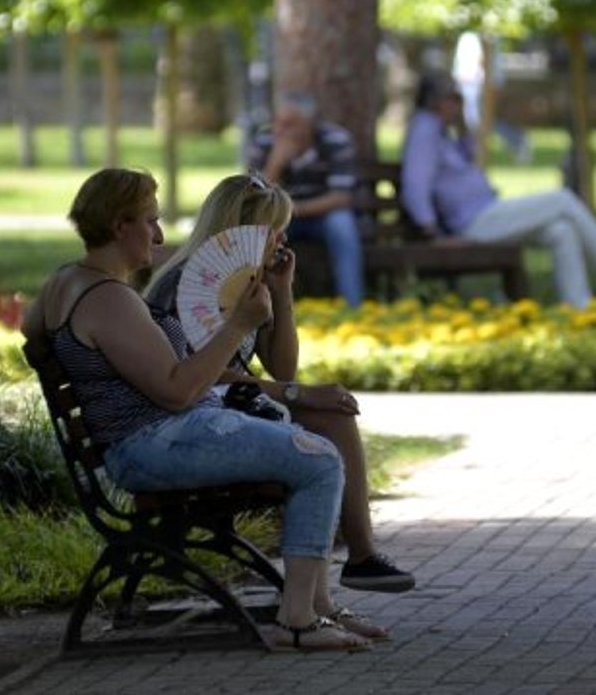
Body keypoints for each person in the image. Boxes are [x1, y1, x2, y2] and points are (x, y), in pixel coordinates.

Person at [21, 167, 380, 652]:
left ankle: (317, 609)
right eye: (150, 221)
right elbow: (178, 392)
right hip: (153, 443)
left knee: (314, 450)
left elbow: (32, 331)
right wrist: (239, 325)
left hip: (152, 439)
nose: (159, 235)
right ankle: (299, 619)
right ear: (120, 225)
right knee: (317, 459)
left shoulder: (69, 281)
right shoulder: (109, 300)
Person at [144, 173, 416, 608]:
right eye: (274, 230)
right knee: (323, 421)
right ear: (241, 233)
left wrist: (281, 292)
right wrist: (293, 394)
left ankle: (361, 556)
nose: (283, 239)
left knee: (335, 412)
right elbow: (204, 378)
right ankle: (336, 580)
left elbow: (284, 366)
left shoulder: (247, 280)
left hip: (234, 401)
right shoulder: (185, 286)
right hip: (199, 412)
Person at [401, 70, 596, 310]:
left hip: (486, 213)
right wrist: (432, 233)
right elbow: (415, 184)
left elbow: (468, 156)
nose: (458, 104)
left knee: (561, 231)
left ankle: (579, 307)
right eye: (454, 98)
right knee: (562, 199)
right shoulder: (424, 131)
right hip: (474, 222)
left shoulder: (441, 132)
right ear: (436, 101)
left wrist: (462, 128)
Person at [247, 92, 365, 308]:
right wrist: (275, 164)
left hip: (323, 217)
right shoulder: (264, 142)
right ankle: (256, 305)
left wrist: (292, 210)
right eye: (278, 122)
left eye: (290, 124)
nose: (281, 130)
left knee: (342, 225)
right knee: (259, 230)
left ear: (310, 124)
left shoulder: (335, 141)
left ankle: (352, 306)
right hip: (281, 219)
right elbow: (254, 198)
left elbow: (341, 197)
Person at [452, 31, 531, 163]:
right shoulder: (467, 36)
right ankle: (472, 152)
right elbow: (461, 65)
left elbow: (490, 64)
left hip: (480, 86)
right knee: (473, 121)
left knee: (481, 120)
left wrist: (493, 85)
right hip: (468, 86)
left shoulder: (489, 35)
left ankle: (516, 139)